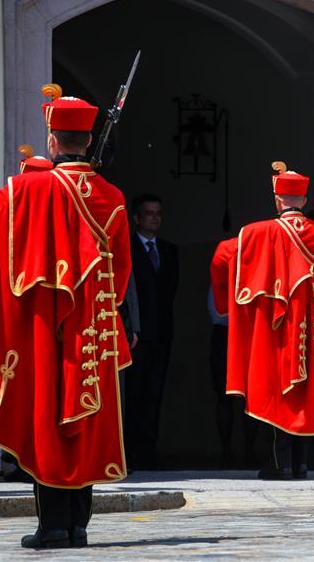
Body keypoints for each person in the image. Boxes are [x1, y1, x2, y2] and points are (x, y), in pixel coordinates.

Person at [0, 93, 132, 547]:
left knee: (46, 417)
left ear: (52, 140)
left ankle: (52, 526)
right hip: (92, 331)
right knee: (85, 419)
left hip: (39, 328)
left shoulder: (22, 190)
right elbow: (122, 270)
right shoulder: (112, 196)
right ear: (88, 140)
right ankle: (78, 526)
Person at [210, 162, 314, 479]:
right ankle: (300, 462)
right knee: (305, 391)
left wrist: (225, 304)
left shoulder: (254, 233)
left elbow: (220, 256)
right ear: (303, 199)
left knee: (273, 390)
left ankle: (277, 462)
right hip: (309, 327)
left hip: (270, 329)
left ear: (277, 201)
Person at [125, 192, 179, 469]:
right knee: (134, 393)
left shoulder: (170, 251)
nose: (154, 218)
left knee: (155, 393)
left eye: (158, 213)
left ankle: (149, 450)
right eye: (149, 213)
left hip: (162, 334)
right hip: (137, 335)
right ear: (137, 218)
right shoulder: (127, 248)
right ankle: (131, 451)